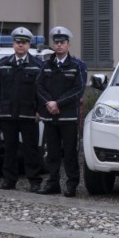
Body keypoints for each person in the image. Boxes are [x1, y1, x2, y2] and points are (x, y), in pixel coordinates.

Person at [0, 27, 45, 192]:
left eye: (24, 43)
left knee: (31, 149)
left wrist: (40, 110)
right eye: (18, 42)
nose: (21, 46)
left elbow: (42, 92)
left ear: (29, 45)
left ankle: (34, 181)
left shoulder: (37, 66)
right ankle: (9, 180)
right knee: (9, 149)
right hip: (7, 114)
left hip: (29, 114)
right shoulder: (3, 64)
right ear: (13, 44)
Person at [36, 26, 88, 197]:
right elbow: (39, 86)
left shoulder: (76, 65)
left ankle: (71, 184)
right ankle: (53, 183)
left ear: (68, 45)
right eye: (56, 43)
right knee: (52, 152)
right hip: (50, 116)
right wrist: (49, 104)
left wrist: (58, 102)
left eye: (62, 43)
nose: (59, 45)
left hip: (68, 116)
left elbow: (78, 88)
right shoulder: (46, 65)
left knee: (70, 152)